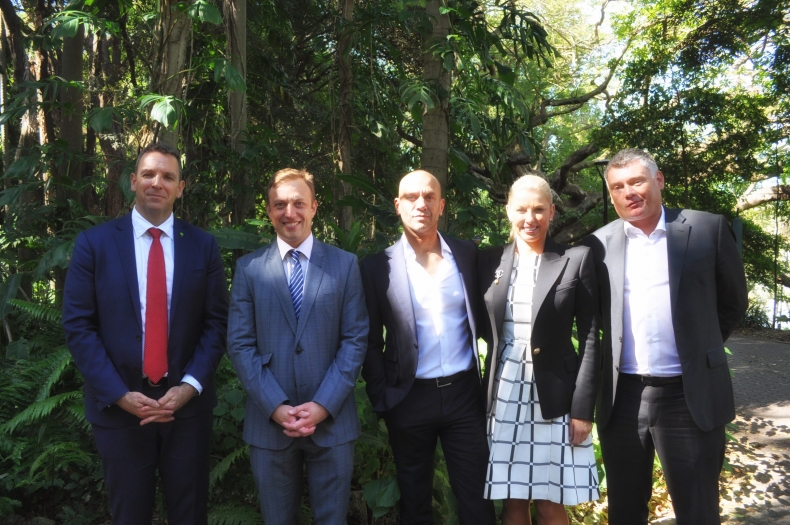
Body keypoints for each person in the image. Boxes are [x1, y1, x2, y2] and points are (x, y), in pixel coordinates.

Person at [62, 143, 229, 525]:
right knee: (129, 515)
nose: (158, 183)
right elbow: (78, 325)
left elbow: (216, 323)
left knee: (189, 514)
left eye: (168, 176)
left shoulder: (203, 246)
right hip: (120, 411)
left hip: (185, 411)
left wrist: (188, 388)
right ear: (133, 181)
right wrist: (119, 394)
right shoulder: (94, 244)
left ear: (181, 187)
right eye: (149, 174)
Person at [582, 148, 748, 525]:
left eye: (637, 181)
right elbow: (592, 322)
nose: (629, 192)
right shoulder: (596, 246)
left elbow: (733, 302)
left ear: (658, 180)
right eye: (618, 187)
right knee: (624, 511)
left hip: (688, 397)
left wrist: (699, 348)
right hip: (622, 398)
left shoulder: (706, 228)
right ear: (611, 195)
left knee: (698, 511)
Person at [226, 168, 368, 525]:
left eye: (298, 203)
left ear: (314, 207)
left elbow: (355, 340)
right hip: (269, 422)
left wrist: (322, 405)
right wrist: (275, 406)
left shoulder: (345, 265)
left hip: (332, 423)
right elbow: (240, 345)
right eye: (280, 204)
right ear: (270, 210)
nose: (290, 212)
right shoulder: (249, 269)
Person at [361, 170, 495, 525]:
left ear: (441, 205)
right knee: (415, 501)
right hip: (408, 398)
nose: (421, 204)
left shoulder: (467, 254)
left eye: (429, 196)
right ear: (397, 205)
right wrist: (383, 397)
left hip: (464, 395)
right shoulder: (377, 268)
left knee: (478, 498)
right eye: (411, 197)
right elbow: (370, 340)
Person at [479, 175, 600, 525]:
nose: (529, 218)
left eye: (538, 209)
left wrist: (582, 409)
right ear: (508, 211)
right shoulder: (488, 262)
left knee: (550, 502)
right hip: (503, 394)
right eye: (521, 209)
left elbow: (591, 338)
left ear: (552, 212)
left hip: (555, 398)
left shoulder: (575, 259)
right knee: (512, 502)